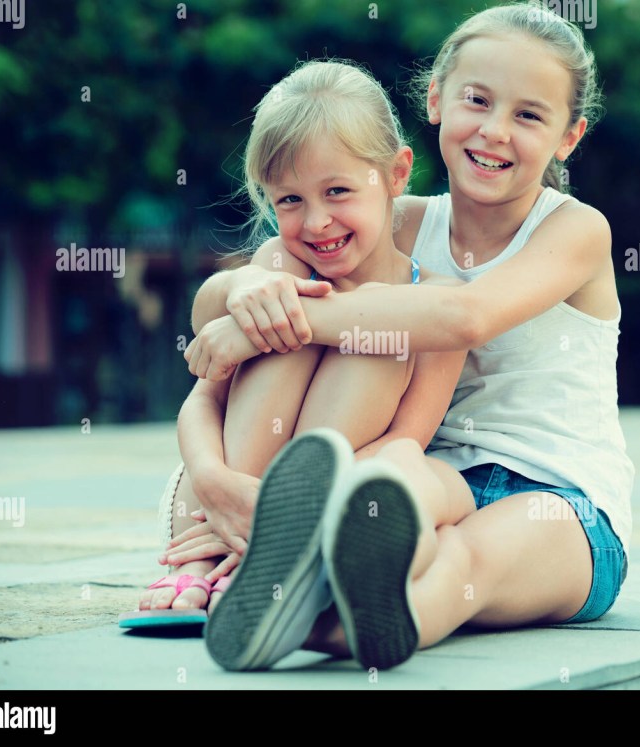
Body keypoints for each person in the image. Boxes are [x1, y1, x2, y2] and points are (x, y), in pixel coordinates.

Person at [181, 1, 634, 671]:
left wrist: (279, 322)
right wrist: (245, 297)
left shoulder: (575, 231)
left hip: (560, 497)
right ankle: (308, 570)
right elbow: (241, 289)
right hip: (427, 468)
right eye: (477, 100)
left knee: (466, 560)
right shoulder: (394, 220)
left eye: (529, 115)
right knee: (388, 492)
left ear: (569, 138)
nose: (495, 131)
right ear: (436, 99)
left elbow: (463, 318)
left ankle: (324, 628)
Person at [119, 60, 471, 632]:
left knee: (379, 335)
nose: (317, 222)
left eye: (338, 191)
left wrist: (281, 510)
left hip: (314, 505)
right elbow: (204, 402)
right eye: (289, 201)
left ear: (396, 173)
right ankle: (219, 559)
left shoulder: (432, 300)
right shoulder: (275, 273)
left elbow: (403, 446)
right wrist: (214, 481)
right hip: (210, 503)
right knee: (280, 293)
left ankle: (270, 555)